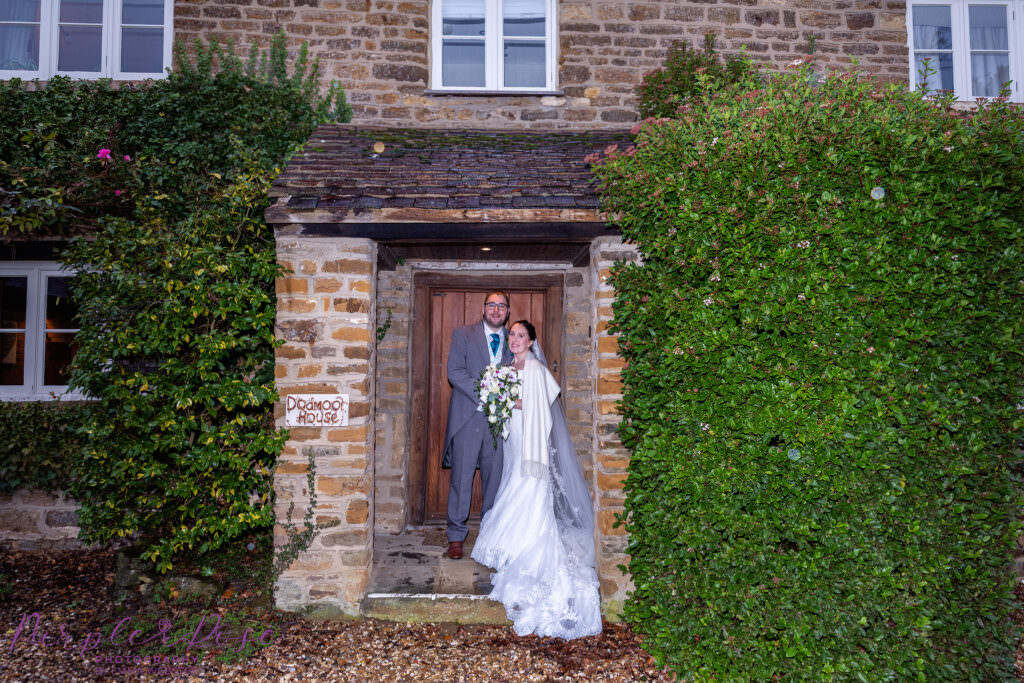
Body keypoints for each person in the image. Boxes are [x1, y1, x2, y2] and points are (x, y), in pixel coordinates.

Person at [471, 320, 602, 639]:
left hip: (531, 443)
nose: (515, 339)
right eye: (512, 335)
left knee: (528, 489)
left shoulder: (535, 369)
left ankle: (528, 547)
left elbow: (539, 406)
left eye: (521, 336)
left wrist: (504, 401)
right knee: (512, 483)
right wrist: (497, 397)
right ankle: (513, 546)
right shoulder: (505, 368)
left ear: (531, 342)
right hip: (515, 440)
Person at [442, 290, 513, 560]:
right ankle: (456, 536)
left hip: (499, 422)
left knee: (494, 480)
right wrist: (488, 390)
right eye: (491, 305)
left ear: (508, 311)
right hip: (467, 418)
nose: (496, 310)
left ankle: (489, 534)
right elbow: (454, 372)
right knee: (461, 478)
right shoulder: (463, 335)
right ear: (483, 309)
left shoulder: (514, 339)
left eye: (501, 306)